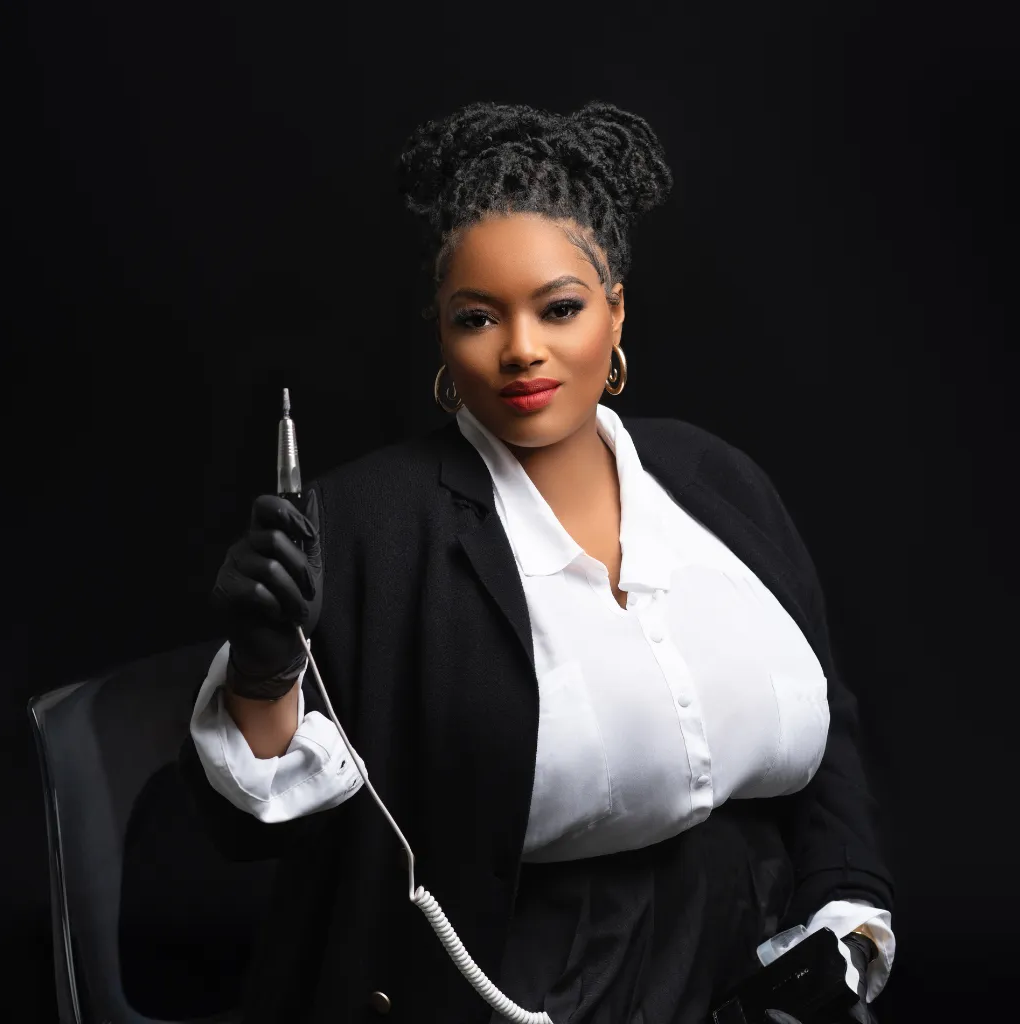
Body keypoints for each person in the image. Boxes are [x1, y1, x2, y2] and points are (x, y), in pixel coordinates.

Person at [179, 100, 895, 1024]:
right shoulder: (363, 526)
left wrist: (847, 915)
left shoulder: (717, 481)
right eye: (478, 318)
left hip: (756, 973)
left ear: (616, 311)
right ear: (442, 336)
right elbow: (249, 831)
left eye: (560, 309)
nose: (522, 350)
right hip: (522, 990)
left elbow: (829, 722)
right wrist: (263, 671)